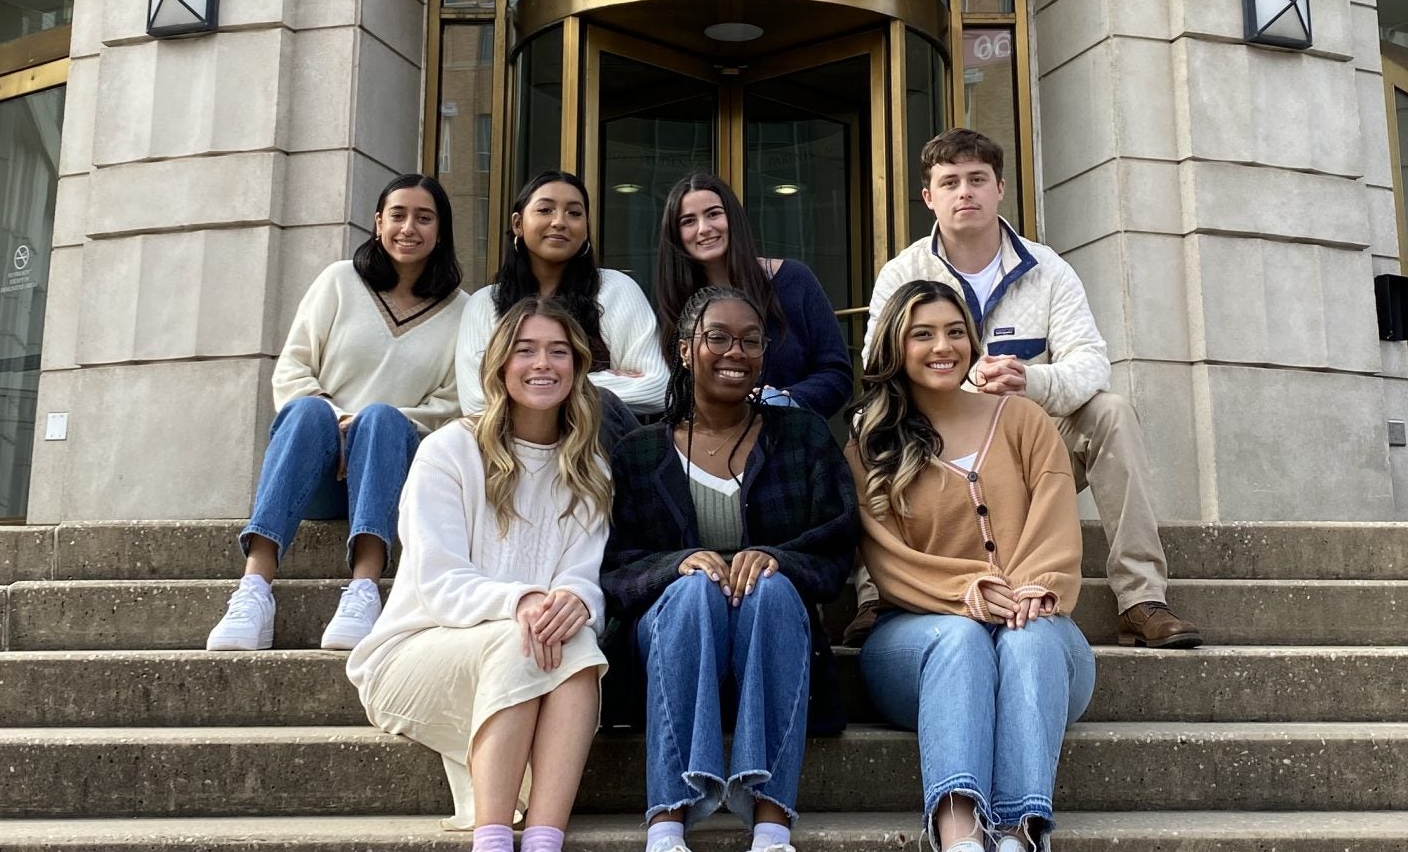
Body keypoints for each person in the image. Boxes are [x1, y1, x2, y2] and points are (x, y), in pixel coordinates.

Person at [857, 128, 1199, 650]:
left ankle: (1140, 597)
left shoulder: (1049, 270)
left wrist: (1029, 380)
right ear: (929, 197)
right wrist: (964, 385)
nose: (964, 192)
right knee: (870, 426)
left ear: (1000, 188)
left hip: (1028, 450)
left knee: (1112, 412)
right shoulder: (904, 272)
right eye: (949, 182)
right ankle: (874, 596)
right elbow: (877, 361)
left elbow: (1091, 364)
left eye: (976, 179)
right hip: (936, 454)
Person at [346, 297, 612, 852]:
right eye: (525, 350)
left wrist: (577, 601)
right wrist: (525, 600)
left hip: (530, 655)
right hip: (412, 654)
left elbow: (583, 575)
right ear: (499, 367)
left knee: (573, 643)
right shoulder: (448, 451)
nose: (542, 364)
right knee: (527, 638)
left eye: (557, 351)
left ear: (577, 368)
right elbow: (437, 580)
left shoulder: (589, 469)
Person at [603, 284, 858, 852]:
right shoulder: (639, 452)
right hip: (671, 646)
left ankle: (771, 847)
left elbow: (836, 553)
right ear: (685, 350)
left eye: (751, 339)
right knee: (690, 593)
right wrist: (674, 566)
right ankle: (663, 848)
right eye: (718, 337)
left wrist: (777, 559)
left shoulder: (801, 436)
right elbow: (610, 568)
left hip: (770, 643)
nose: (736, 351)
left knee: (774, 589)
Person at [851, 279, 1095, 852]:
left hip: (1040, 630)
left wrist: (1035, 586)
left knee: (1028, 636)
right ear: (896, 346)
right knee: (962, 638)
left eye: (955, 331)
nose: (942, 346)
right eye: (923, 333)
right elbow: (885, 556)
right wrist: (966, 588)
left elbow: (1055, 520)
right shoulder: (869, 439)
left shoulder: (1023, 421)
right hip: (917, 644)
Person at [206, 174, 467, 653]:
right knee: (306, 410)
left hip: (396, 473)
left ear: (441, 230)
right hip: (320, 472)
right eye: (398, 215)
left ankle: (364, 591)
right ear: (378, 222)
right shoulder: (339, 281)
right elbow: (293, 367)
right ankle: (253, 591)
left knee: (384, 419)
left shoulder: (462, 312)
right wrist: (338, 423)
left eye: (424, 218)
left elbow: (453, 405)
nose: (409, 228)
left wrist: (366, 423)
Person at [456, 171, 670, 442]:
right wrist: (593, 380)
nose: (559, 222)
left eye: (574, 213)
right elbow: (476, 402)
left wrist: (530, 385)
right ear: (518, 223)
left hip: (601, 451)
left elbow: (657, 387)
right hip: (513, 453)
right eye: (545, 210)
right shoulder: (486, 303)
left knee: (600, 405)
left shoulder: (616, 289)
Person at [649, 171, 854, 418]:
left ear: (733, 218)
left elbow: (836, 373)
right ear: (675, 234)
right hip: (708, 445)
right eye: (688, 221)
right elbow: (673, 392)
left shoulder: (794, 280)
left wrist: (781, 403)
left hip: (790, 441)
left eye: (714, 214)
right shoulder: (675, 306)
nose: (704, 228)